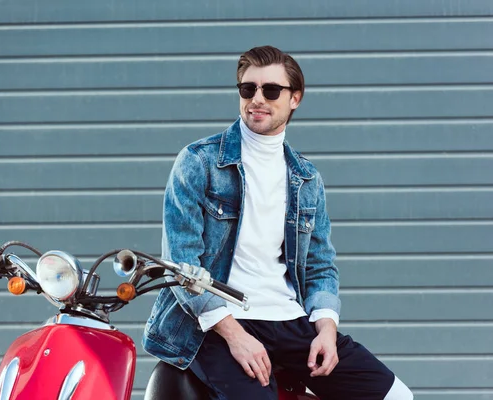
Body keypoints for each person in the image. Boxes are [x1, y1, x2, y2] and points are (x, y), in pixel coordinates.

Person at [142, 45, 413, 400]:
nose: (257, 98)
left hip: (288, 318)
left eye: (271, 90)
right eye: (247, 89)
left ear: (295, 98)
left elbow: (319, 266)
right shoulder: (199, 162)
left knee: (396, 395)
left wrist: (327, 329)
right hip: (214, 322)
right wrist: (236, 336)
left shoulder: (305, 177)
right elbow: (183, 266)